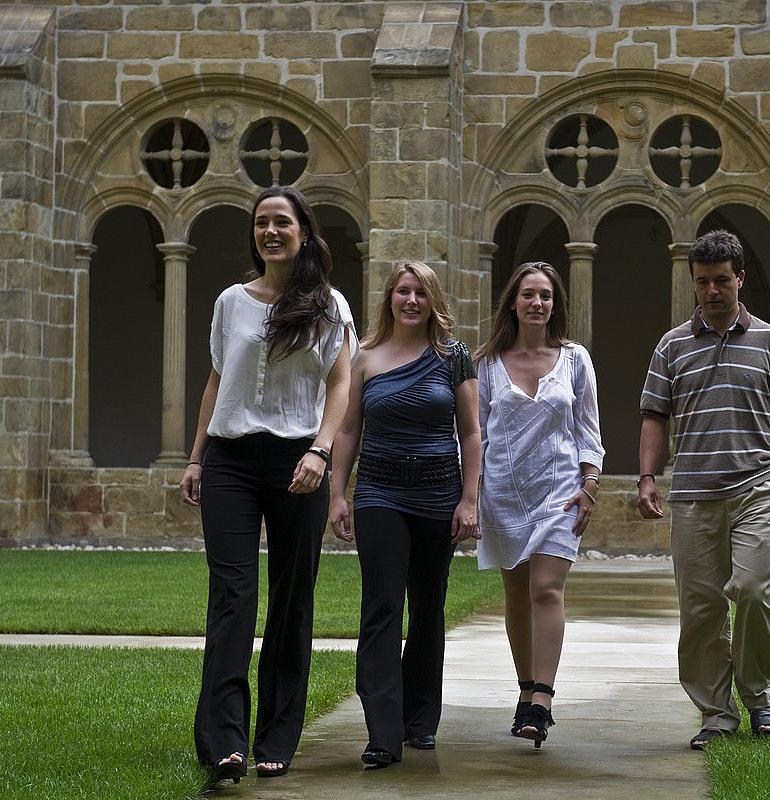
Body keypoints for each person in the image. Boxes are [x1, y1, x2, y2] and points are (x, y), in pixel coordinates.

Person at [180, 186, 356, 784]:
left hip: (297, 458)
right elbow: (215, 381)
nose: (270, 231)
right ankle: (223, 741)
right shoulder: (231, 301)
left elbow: (340, 388)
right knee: (233, 595)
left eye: (282, 221)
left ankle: (277, 737)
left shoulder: (331, 306)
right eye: (261, 223)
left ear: (304, 231)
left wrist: (320, 451)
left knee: (290, 599)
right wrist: (197, 458)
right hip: (230, 457)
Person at [636, 229, 770, 748]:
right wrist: (646, 476)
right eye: (703, 282)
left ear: (740, 279)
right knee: (702, 609)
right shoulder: (672, 345)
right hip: (692, 495)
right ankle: (716, 712)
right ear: (694, 283)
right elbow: (653, 415)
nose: (712, 290)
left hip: (758, 485)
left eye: (722, 281)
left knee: (756, 589)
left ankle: (759, 695)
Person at [329, 261, 480, 768]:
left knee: (427, 610)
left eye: (420, 292)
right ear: (388, 298)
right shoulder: (365, 357)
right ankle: (382, 734)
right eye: (402, 291)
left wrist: (469, 499)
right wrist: (337, 495)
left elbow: (472, 433)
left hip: (439, 498)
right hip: (379, 494)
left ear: (433, 300)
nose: (411, 300)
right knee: (381, 609)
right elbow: (347, 430)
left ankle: (420, 722)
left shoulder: (452, 356)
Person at [475, 262, 604, 748]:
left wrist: (589, 485)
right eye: (528, 294)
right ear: (513, 301)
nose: (537, 303)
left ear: (556, 304)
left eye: (546, 296)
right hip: (504, 496)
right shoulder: (487, 363)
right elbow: (476, 437)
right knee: (517, 595)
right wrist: (471, 498)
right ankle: (524, 690)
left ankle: (543, 700)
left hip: (560, 492)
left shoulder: (575, 360)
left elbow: (589, 433)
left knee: (546, 589)